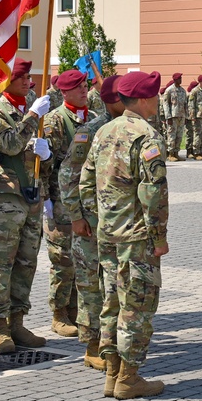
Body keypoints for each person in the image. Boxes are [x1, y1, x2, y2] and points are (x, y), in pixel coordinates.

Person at [79, 71, 168, 400]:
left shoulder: (103, 131)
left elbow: (85, 182)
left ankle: (113, 373)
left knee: (112, 301)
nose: (158, 101)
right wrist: (158, 237)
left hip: (107, 235)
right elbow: (154, 193)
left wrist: (95, 217)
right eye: (155, 96)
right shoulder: (146, 135)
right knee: (138, 304)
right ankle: (129, 377)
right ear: (144, 100)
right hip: (136, 237)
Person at [0, 59, 53, 353]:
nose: (27, 80)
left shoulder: (28, 109)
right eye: (20, 76)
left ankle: (17, 322)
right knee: (1, 265)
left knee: (26, 264)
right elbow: (9, 144)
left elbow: (31, 147)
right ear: (4, 80)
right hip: (4, 198)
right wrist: (33, 116)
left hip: (31, 196)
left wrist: (43, 152)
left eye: (27, 76)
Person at [57, 74, 123, 370]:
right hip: (91, 223)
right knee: (90, 284)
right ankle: (93, 346)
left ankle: (112, 340)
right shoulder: (91, 131)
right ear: (115, 100)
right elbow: (68, 175)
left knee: (113, 284)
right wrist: (76, 217)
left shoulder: (127, 128)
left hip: (117, 224)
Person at [40, 69, 89, 339]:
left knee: (81, 257)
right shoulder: (55, 121)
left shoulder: (91, 118)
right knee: (62, 259)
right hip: (60, 200)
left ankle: (76, 310)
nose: (84, 90)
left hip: (86, 200)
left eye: (85, 86)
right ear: (64, 92)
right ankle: (59, 314)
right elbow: (46, 165)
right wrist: (46, 198)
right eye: (78, 87)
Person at [162, 73, 186, 162]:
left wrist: (186, 116)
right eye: (179, 78)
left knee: (179, 136)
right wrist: (168, 117)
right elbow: (166, 104)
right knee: (172, 135)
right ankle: (171, 154)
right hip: (173, 117)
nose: (181, 80)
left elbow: (185, 104)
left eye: (181, 78)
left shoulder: (183, 91)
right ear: (175, 80)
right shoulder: (169, 90)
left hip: (181, 116)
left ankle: (176, 153)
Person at [185, 80, 198, 158]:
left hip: (195, 117)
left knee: (194, 134)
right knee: (189, 134)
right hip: (189, 117)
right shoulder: (188, 95)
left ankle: (193, 150)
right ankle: (189, 151)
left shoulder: (195, 94)